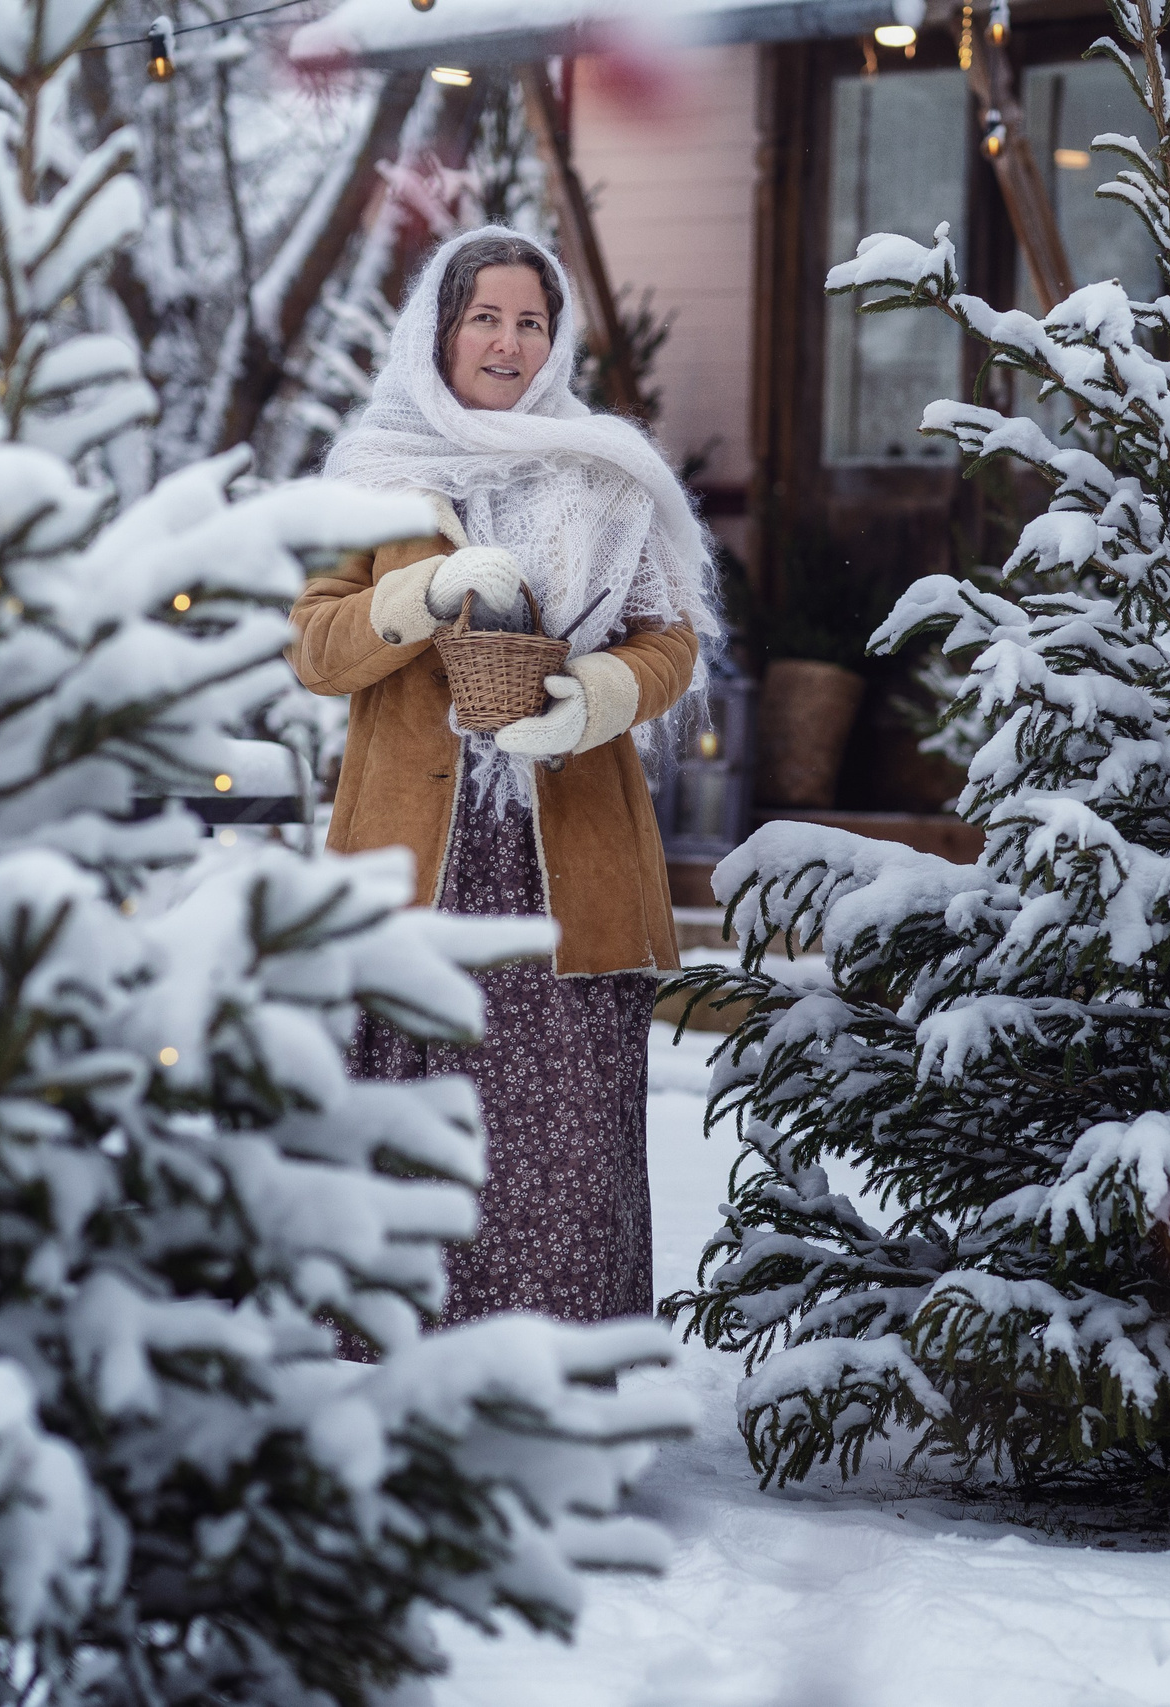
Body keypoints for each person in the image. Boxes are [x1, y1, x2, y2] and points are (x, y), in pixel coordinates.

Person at [292, 227, 721, 1325]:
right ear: (439, 330)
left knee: (564, 1150)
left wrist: (595, 700)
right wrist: (423, 597)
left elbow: (669, 641)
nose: (508, 341)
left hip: (563, 870)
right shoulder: (378, 471)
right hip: (417, 868)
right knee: (414, 1134)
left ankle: (565, 1408)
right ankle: (400, 1398)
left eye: (530, 320)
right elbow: (317, 647)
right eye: (484, 316)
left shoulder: (604, 469)